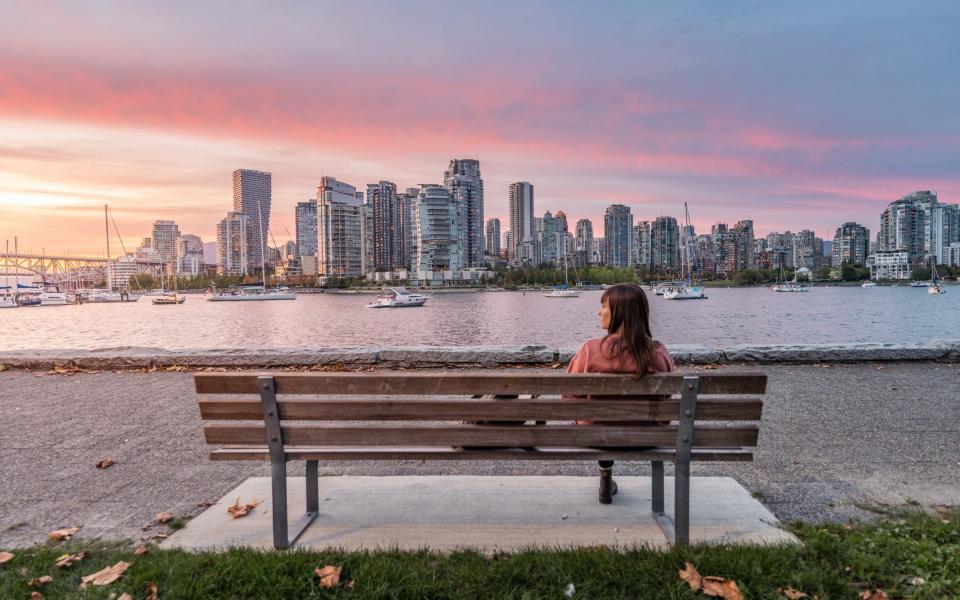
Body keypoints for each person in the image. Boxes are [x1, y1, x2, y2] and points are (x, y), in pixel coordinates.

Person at [566, 283, 675, 504]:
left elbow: (569, 396)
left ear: (619, 312)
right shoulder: (659, 353)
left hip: (595, 434)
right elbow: (666, 398)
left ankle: (605, 473)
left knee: (596, 418)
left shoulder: (589, 350)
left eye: (603, 306)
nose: (599, 312)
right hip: (648, 436)